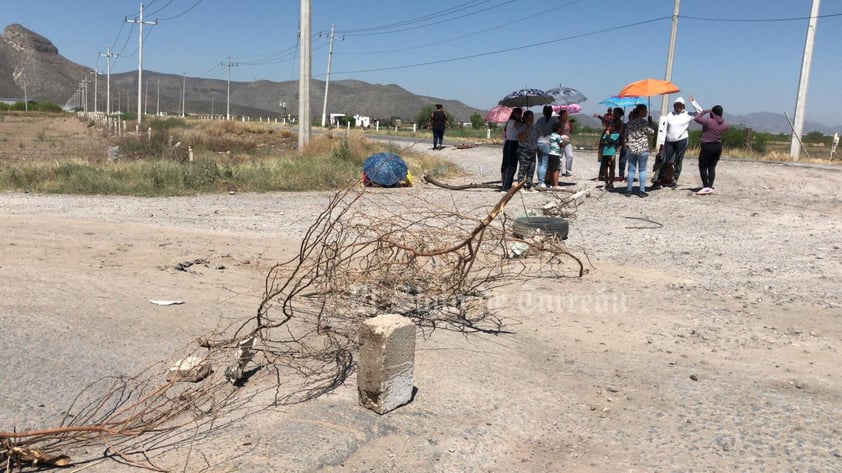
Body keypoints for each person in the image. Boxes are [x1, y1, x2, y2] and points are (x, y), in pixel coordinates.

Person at [654, 97, 696, 188]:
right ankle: (659, 179)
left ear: (683, 106)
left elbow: (701, 112)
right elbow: (664, 129)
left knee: (678, 160)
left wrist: (693, 103)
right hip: (669, 140)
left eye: (680, 105)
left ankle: (675, 179)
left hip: (682, 140)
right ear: (674, 105)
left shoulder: (688, 114)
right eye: (677, 105)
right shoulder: (670, 115)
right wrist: (662, 142)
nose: (678, 107)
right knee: (664, 160)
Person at [692, 99, 728, 195]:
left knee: (702, 166)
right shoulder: (724, 123)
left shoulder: (708, 121)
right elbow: (726, 128)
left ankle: (706, 186)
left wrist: (705, 111)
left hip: (707, 145)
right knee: (712, 167)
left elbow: (696, 118)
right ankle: (710, 186)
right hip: (718, 146)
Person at [623, 104, 655, 197]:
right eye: (645, 110)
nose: (646, 112)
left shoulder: (629, 123)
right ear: (641, 111)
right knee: (642, 170)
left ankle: (628, 190)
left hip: (631, 148)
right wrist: (650, 122)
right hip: (642, 149)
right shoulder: (644, 122)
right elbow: (651, 132)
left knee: (631, 170)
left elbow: (625, 135)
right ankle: (641, 190)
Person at [500, 108, 524, 192]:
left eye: (520, 114)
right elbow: (519, 125)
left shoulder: (513, 122)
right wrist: (526, 122)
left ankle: (505, 184)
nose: (519, 115)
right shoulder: (512, 122)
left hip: (513, 143)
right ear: (514, 114)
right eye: (518, 113)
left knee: (511, 165)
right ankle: (506, 186)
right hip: (511, 142)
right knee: (510, 165)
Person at [534, 105, 557, 188]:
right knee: (544, 163)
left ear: (543, 112)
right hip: (547, 143)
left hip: (539, 143)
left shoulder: (539, 120)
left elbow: (535, 132)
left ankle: (540, 180)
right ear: (551, 112)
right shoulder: (553, 120)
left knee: (540, 163)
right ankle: (541, 181)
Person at [516, 110, 538, 191]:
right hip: (524, 150)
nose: (532, 119)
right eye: (530, 117)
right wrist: (527, 127)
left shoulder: (535, 126)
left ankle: (529, 185)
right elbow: (521, 139)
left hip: (533, 150)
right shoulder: (521, 126)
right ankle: (520, 185)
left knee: (531, 169)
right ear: (525, 118)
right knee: (523, 168)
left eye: (532, 117)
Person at [598, 122, 621, 190]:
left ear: (613, 127)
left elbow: (610, 141)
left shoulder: (616, 135)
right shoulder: (606, 134)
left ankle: (611, 183)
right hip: (604, 153)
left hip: (611, 153)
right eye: (607, 127)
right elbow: (602, 141)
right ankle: (606, 183)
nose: (608, 128)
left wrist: (608, 137)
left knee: (611, 169)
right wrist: (606, 138)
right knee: (605, 169)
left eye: (610, 127)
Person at [546, 122, 564, 189]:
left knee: (551, 169)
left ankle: (551, 183)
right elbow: (561, 145)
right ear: (559, 129)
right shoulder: (558, 136)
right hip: (556, 154)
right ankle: (555, 184)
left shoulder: (550, 135)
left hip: (550, 153)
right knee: (556, 169)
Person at [558, 110, 575, 177]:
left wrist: (571, 126)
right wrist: (561, 126)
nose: (566, 115)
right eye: (565, 114)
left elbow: (572, 132)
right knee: (560, 157)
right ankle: (559, 172)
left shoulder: (568, 122)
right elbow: (558, 132)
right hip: (560, 140)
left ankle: (568, 171)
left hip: (567, 141)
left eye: (566, 114)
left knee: (570, 156)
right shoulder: (558, 122)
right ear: (561, 115)